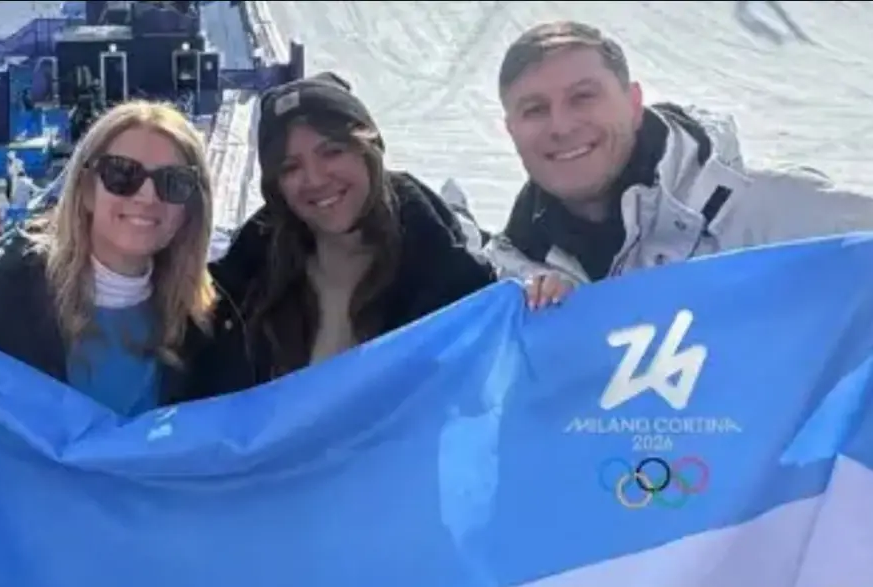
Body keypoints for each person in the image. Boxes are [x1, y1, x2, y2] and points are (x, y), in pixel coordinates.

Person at [485, 20, 873, 298]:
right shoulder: (512, 283)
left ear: (634, 103)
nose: (561, 125)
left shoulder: (771, 216)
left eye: (583, 97)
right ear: (512, 130)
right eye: (534, 109)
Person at [186, 72, 500, 399]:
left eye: (332, 152)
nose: (315, 179)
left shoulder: (444, 275)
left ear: (368, 149)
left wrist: (546, 300)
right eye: (291, 167)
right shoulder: (249, 280)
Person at [0, 100, 217, 417]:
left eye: (174, 181)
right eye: (122, 174)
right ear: (86, 188)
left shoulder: (202, 325)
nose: (147, 197)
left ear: (191, 208)